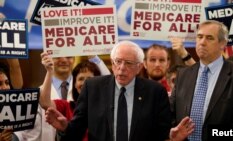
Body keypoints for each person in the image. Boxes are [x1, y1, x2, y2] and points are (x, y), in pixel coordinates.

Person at [45, 40, 194, 141]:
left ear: (139, 67)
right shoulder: (92, 87)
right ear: (112, 63)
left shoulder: (155, 91)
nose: (122, 68)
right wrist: (65, 127)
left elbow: (161, 131)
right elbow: (76, 130)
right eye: (118, 62)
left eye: (128, 63)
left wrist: (170, 135)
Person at [170, 20, 233, 141]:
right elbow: (171, 115)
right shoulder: (183, 74)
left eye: (209, 38)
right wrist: (172, 132)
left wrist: (210, 134)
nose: (202, 42)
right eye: (199, 37)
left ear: (223, 44)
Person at [40, 52, 102, 141]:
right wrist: (49, 71)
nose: (85, 83)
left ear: (99, 83)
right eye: (81, 79)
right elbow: (45, 103)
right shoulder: (67, 106)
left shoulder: (107, 106)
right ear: (75, 85)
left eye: (90, 79)